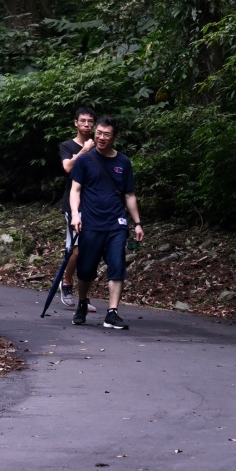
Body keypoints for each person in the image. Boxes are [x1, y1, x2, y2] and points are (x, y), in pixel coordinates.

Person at [69, 115, 143, 331]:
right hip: (91, 223)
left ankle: (112, 312)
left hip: (116, 224)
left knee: (117, 267)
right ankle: (82, 302)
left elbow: (129, 195)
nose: (101, 138)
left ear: (115, 137)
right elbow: (76, 189)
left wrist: (137, 223)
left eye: (106, 134)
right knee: (86, 270)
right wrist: (75, 214)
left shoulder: (123, 162)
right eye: (98, 133)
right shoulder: (85, 160)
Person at [58, 105, 96, 306]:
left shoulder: (99, 145)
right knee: (77, 249)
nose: (87, 124)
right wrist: (84, 150)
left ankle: (83, 296)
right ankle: (66, 282)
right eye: (83, 121)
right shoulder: (68, 146)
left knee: (90, 249)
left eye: (90, 121)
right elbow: (67, 168)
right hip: (72, 203)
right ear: (76, 123)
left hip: (93, 204)